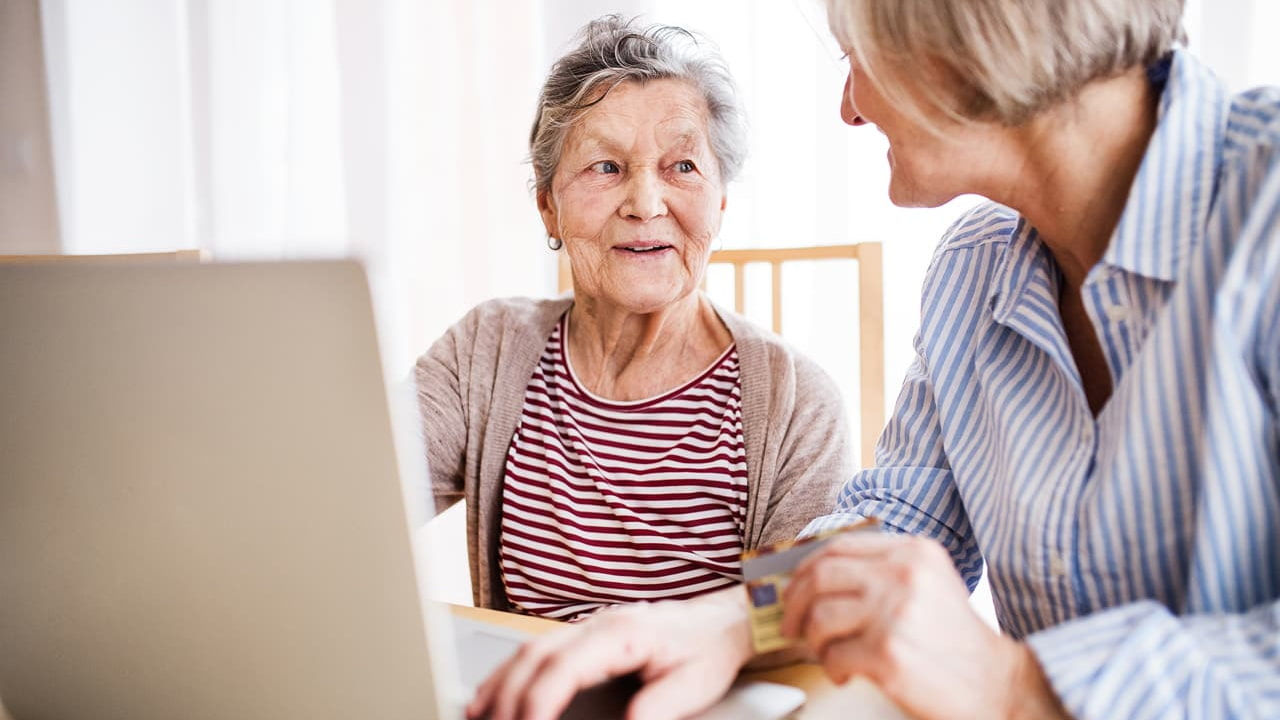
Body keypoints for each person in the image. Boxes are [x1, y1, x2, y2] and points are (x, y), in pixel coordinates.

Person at [467, 0, 1280, 718]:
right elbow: (900, 519)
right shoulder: (976, 266)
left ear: (960, 33)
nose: (850, 107)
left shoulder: (1266, 209)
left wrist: (1016, 688)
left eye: (854, 56)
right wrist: (717, 619)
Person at [414, 16, 852, 622]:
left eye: (683, 167)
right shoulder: (486, 348)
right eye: (606, 167)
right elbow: (352, 491)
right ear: (548, 205)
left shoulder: (798, 401)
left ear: (720, 201)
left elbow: (799, 623)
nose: (645, 205)